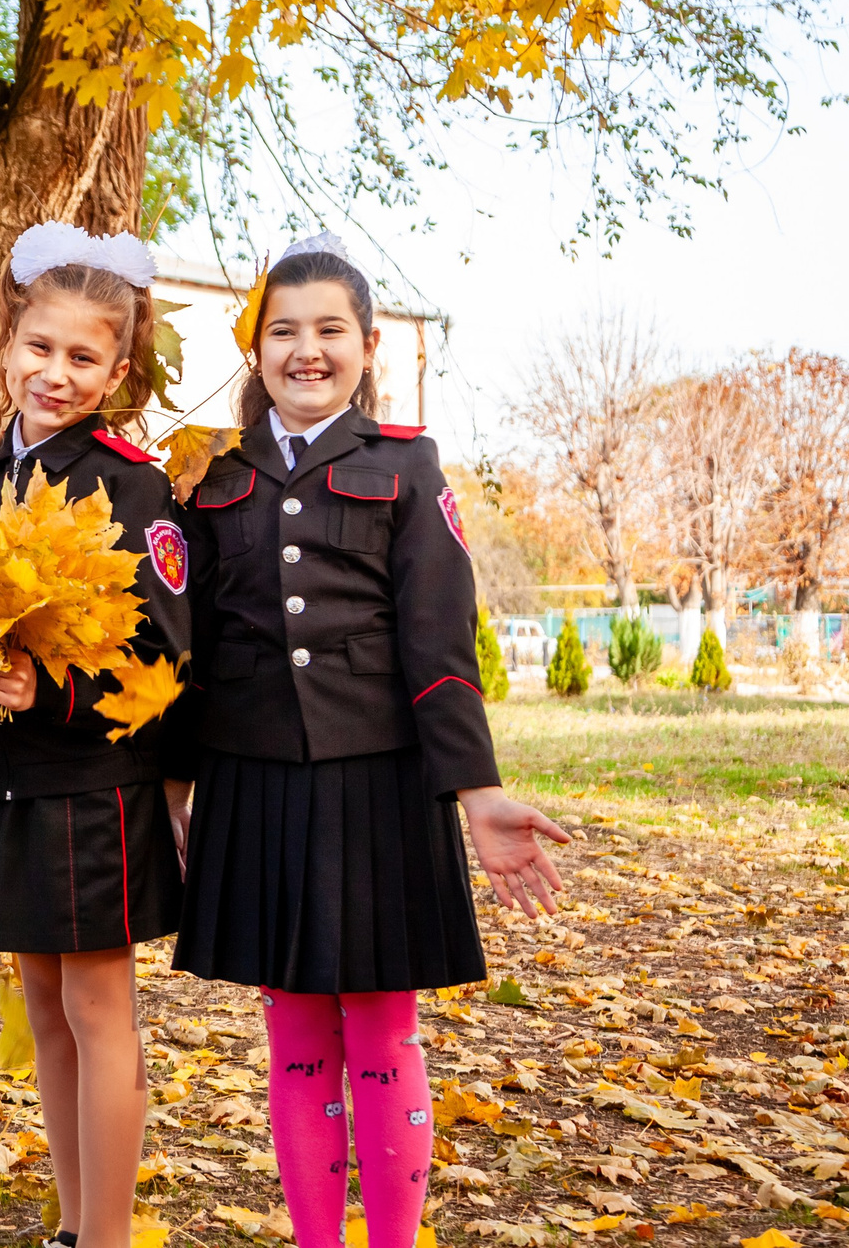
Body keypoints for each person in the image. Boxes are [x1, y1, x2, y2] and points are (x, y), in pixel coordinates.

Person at [164, 235, 568, 1248]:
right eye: (282, 332)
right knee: (293, 1034)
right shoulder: (209, 478)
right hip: (253, 786)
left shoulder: (406, 466)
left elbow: (439, 647)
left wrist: (475, 793)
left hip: (380, 792)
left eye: (328, 331)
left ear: (367, 343)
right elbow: (190, 648)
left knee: (381, 1032)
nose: (306, 351)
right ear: (253, 347)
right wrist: (173, 789)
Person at [0, 224, 192, 1248]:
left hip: (96, 781)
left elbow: (163, 659)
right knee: (44, 1010)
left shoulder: (131, 486)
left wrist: (55, 696)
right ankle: (76, 1226)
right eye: (40, 349)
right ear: (3, 349)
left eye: (83, 358)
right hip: (8, 786)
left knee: (98, 1010)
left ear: (117, 371)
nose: (56, 373)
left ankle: (107, 1238)